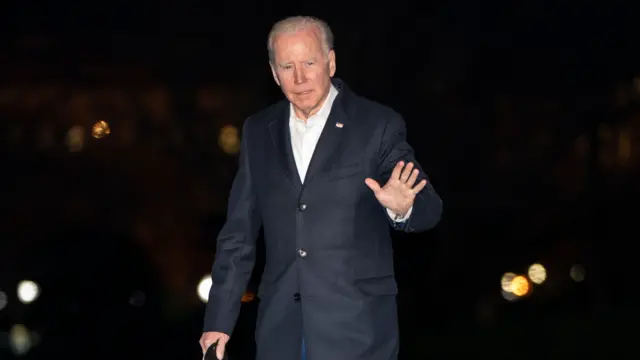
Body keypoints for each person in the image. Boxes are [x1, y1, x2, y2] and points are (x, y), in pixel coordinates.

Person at [199, 15, 443, 360]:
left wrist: (404, 207)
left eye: (309, 63)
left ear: (330, 62)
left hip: (358, 330)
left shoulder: (376, 125)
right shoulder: (258, 131)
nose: (299, 78)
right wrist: (219, 321)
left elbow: (430, 208)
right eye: (287, 66)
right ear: (274, 73)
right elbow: (238, 234)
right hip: (281, 331)